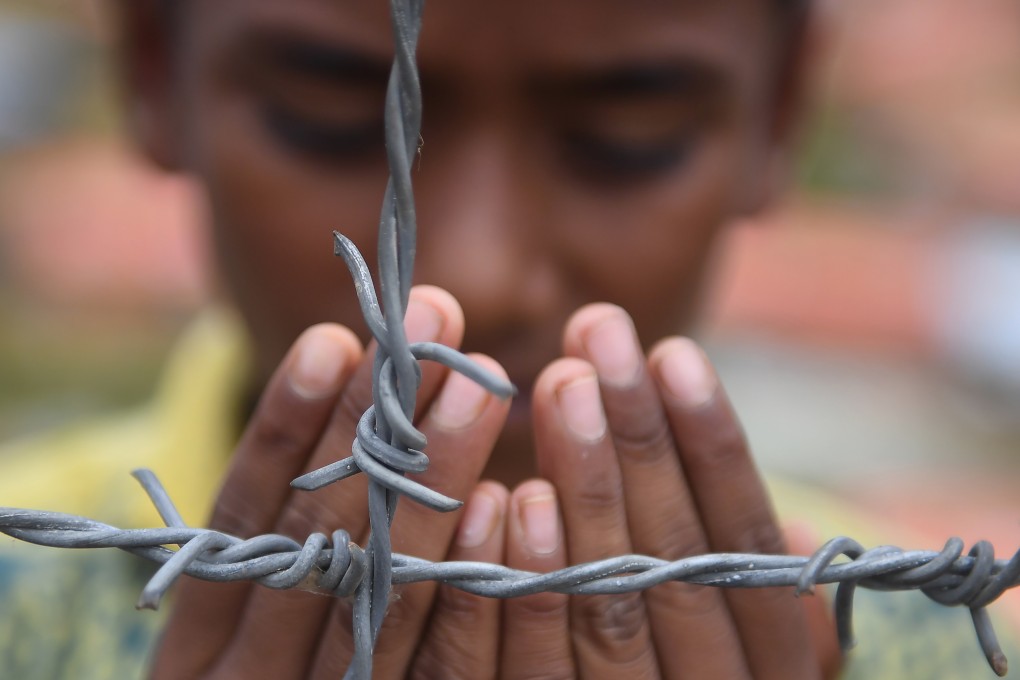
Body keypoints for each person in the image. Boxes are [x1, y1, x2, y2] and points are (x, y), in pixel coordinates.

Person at [0, 0, 1011, 677]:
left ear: (779, 114)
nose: (473, 277)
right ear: (152, 71)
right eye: (329, 118)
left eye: (630, 138)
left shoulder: (899, 635)